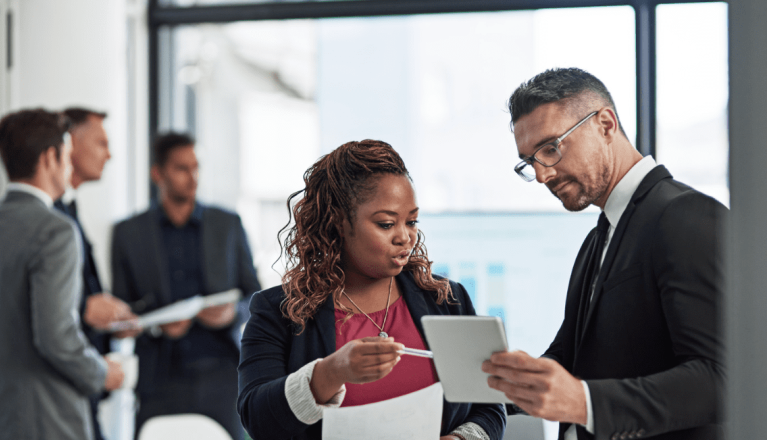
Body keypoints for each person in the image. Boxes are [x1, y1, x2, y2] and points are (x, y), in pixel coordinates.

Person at [481, 68, 725, 440]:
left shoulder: (686, 216)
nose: (543, 176)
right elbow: (570, 355)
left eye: (551, 148)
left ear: (606, 125)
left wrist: (584, 402)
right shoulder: (598, 239)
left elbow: (721, 378)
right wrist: (499, 383)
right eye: (530, 162)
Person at [237, 140, 506, 440]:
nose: (405, 237)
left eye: (412, 221)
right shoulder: (278, 311)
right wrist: (329, 373)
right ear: (338, 222)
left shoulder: (447, 299)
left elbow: (490, 402)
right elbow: (257, 419)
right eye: (386, 224)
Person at [0, 108, 124, 440]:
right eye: (68, 154)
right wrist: (102, 373)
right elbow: (56, 337)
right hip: (47, 418)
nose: (70, 166)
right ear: (50, 157)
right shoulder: (56, 230)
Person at [111, 132, 261, 440]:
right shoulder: (129, 233)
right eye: (182, 168)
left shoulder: (227, 224)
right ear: (158, 174)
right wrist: (156, 325)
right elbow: (121, 310)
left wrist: (231, 314)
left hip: (221, 372)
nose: (192, 177)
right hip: (159, 375)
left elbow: (255, 297)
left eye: (195, 167)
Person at [56, 107, 139, 440]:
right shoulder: (50, 218)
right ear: (69, 145)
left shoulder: (69, 208)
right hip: (64, 393)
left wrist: (109, 320)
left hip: (84, 386)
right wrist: (85, 308)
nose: (110, 154)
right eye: (101, 143)